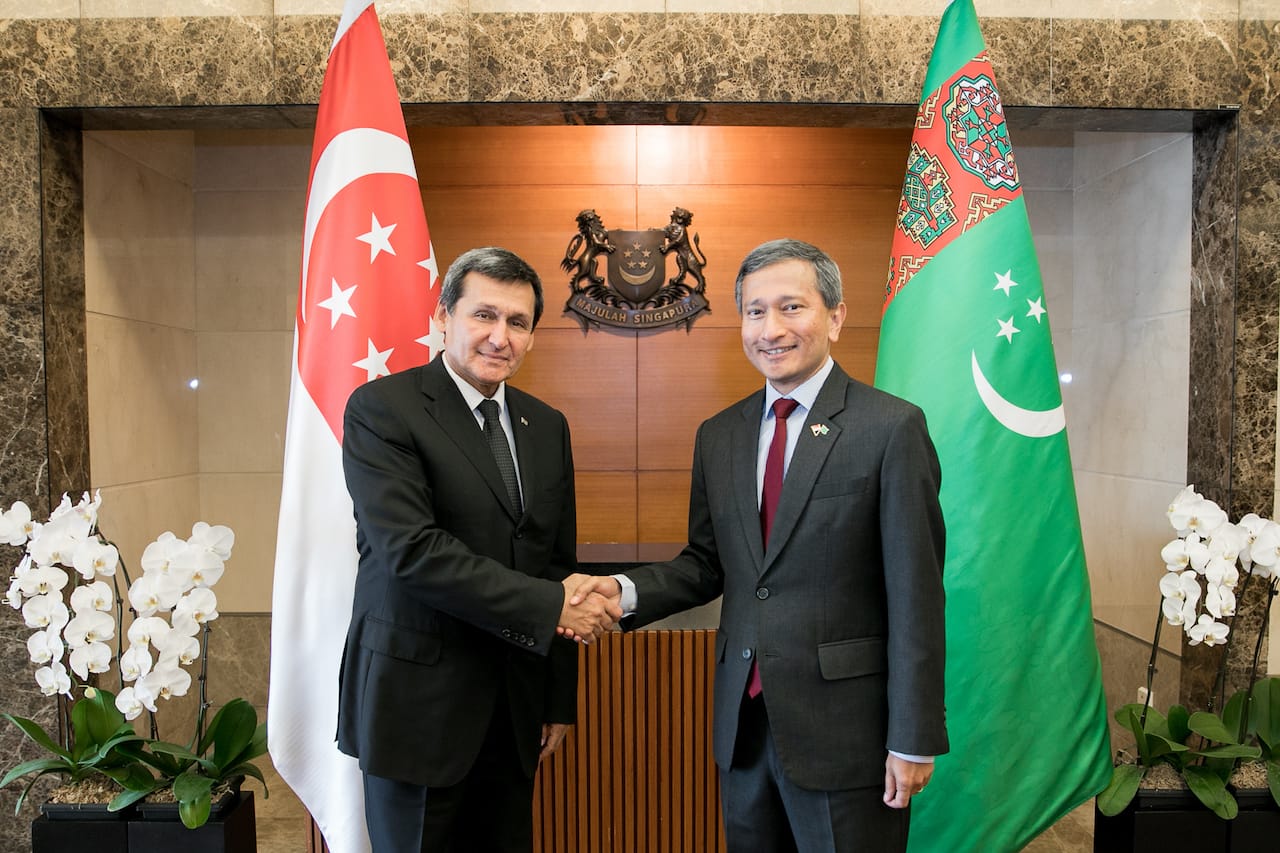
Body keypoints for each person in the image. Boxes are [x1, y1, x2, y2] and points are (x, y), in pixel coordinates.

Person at [569, 238, 948, 852]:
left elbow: (917, 594)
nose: (770, 328)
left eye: (791, 307)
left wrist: (912, 735)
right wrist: (620, 591)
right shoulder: (720, 434)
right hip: (743, 732)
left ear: (835, 315)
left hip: (849, 735)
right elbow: (706, 564)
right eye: (754, 311)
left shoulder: (890, 428)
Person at [337, 246, 621, 853]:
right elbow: (413, 551)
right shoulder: (383, 409)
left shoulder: (545, 426)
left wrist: (556, 698)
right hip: (416, 711)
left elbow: (555, 564)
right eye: (483, 315)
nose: (501, 337)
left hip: (514, 713)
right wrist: (550, 605)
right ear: (443, 315)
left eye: (518, 323)